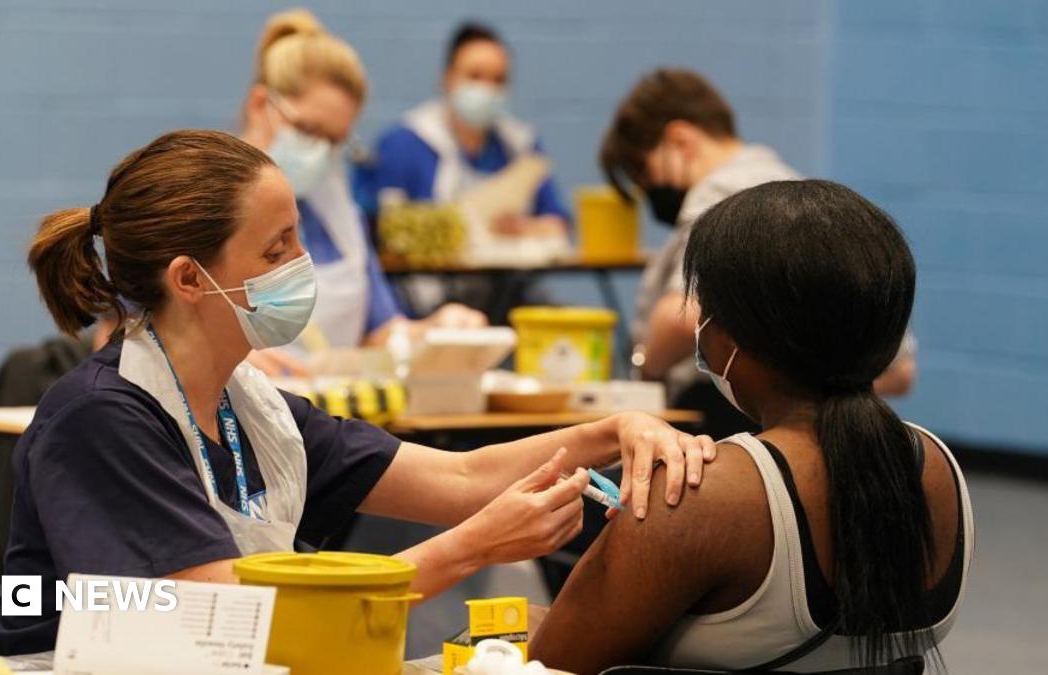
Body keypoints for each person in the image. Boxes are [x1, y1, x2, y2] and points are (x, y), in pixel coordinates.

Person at [0, 129, 716, 655]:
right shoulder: (101, 418)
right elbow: (223, 614)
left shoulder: (254, 408)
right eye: (277, 250)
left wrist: (613, 430)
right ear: (188, 279)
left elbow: (458, 475)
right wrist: (471, 549)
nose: (305, 266)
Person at [531, 180, 973, 674]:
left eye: (706, 312)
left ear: (732, 338)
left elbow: (548, 666)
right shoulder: (937, 469)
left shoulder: (697, 494)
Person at [600, 69, 915, 439]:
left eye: (645, 173)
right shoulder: (806, 193)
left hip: (729, 420)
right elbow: (900, 369)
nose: (648, 191)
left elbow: (683, 315)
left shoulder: (719, 192)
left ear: (680, 141)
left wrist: (646, 371)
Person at [236, 10, 484, 374]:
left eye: (335, 141)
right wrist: (227, 360)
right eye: (309, 130)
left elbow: (382, 330)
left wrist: (436, 331)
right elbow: (143, 328)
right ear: (261, 106)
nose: (320, 152)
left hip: (328, 414)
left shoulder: (339, 213)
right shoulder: (204, 199)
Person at [362, 21, 569, 318]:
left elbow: (558, 224)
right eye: (474, 76)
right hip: (429, 302)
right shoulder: (404, 144)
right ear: (447, 79)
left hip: (507, 295)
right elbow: (386, 232)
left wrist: (523, 229)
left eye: (497, 80)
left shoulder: (520, 145)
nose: (486, 88)